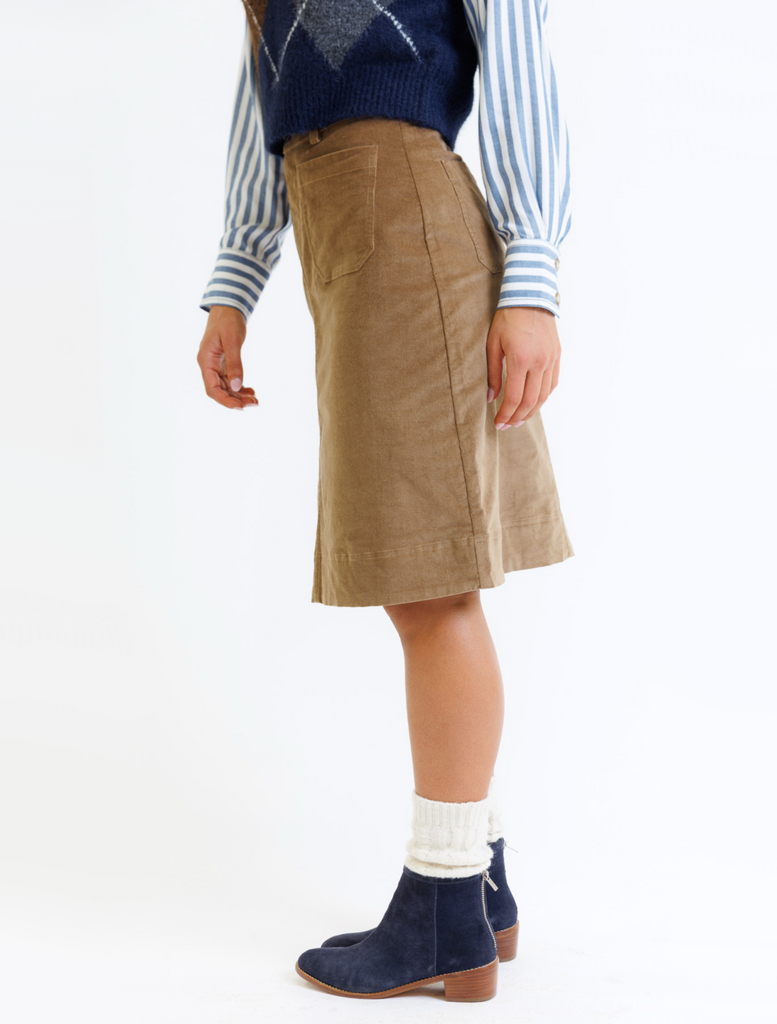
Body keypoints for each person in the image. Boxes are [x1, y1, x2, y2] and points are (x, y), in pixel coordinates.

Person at [197, 0, 573, 1002]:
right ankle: (479, 882)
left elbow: (521, 51)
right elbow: (265, 81)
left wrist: (531, 278)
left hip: (404, 211)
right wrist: (239, 271)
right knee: (428, 571)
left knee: (431, 578)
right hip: (337, 217)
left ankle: (446, 900)